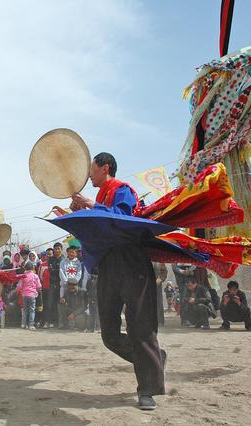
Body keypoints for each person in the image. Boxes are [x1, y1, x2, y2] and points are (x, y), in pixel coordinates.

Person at [70, 152, 166, 410]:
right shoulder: (100, 196)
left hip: (131, 261)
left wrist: (90, 205)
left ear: (105, 167)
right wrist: (78, 213)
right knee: (109, 335)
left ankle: (147, 389)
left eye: (92, 169)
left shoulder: (122, 190)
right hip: (108, 265)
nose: (89, 174)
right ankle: (155, 361)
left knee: (140, 329)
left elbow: (121, 220)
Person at [17, 262, 41, 330]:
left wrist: (20, 291)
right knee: (32, 310)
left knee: (25, 310)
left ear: (25, 268)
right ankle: (31, 325)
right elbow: (39, 286)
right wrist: (38, 290)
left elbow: (19, 286)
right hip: (32, 295)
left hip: (24, 295)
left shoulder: (23, 276)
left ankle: (23, 324)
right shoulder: (35, 276)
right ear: (33, 268)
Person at [45, 242, 64, 328]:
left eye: (58, 249)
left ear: (61, 250)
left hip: (61, 284)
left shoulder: (64, 259)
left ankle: (59, 322)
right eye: (55, 249)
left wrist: (55, 270)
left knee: (59, 304)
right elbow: (50, 270)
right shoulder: (51, 259)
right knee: (50, 303)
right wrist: (57, 270)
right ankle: (49, 321)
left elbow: (61, 271)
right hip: (52, 284)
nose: (57, 250)